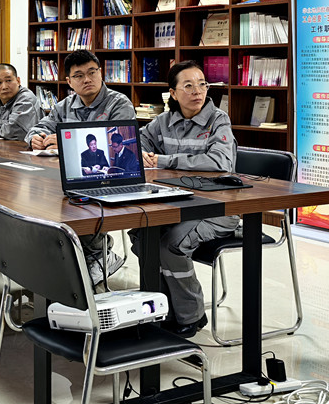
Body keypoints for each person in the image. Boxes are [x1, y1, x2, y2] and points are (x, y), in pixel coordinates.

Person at [134, 60, 237, 338]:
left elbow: (220, 162)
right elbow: (136, 142)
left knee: (170, 244)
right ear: (173, 93)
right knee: (143, 238)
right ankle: (162, 309)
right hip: (179, 204)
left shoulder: (218, 120)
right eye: (188, 86)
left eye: (202, 84)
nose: (197, 91)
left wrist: (163, 160)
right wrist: (141, 154)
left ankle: (191, 315)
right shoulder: (164, 121)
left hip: (218, 208)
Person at [24, 49, 135, 284]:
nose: (87, 79)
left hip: (110, 180)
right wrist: (35, 137)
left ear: (101, 73)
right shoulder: (65, 105)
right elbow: (40, 126)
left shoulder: (118, 102)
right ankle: (72, 260)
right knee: (39, 201)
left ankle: (98, 255)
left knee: (74, 205)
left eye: (92, 72)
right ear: (69, 81)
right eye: (79, 75)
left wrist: (65, 142)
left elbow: (111, 138)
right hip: (70, 176)